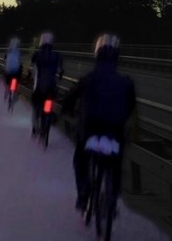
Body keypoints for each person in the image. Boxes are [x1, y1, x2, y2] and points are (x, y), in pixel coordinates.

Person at [60, 34, 136, 209]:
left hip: (90, 130)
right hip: (115, 131)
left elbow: (70, 97)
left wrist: (66, 111)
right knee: (116, 161)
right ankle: (113, 193)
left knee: (80, 159)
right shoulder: (126, 82)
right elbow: (130, 106)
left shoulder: (88, 79)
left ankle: (83, 194)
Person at [30, 32, 64, 135]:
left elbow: (33, 68)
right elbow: (60, 70)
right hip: (51, 88)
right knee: (49, 104)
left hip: (39, 88)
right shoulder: (57, 55)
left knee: (36, 107)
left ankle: (35, 128)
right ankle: (48, 119)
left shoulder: (37, 55)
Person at [3, 37, 22, 101]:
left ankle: (6, 91)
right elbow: (19, 61)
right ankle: (16, 93)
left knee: (6, 80)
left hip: (8, 71)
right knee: (17, 79)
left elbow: (5, 59)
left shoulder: (8, 51)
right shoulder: (18, 51)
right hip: (16, 72)